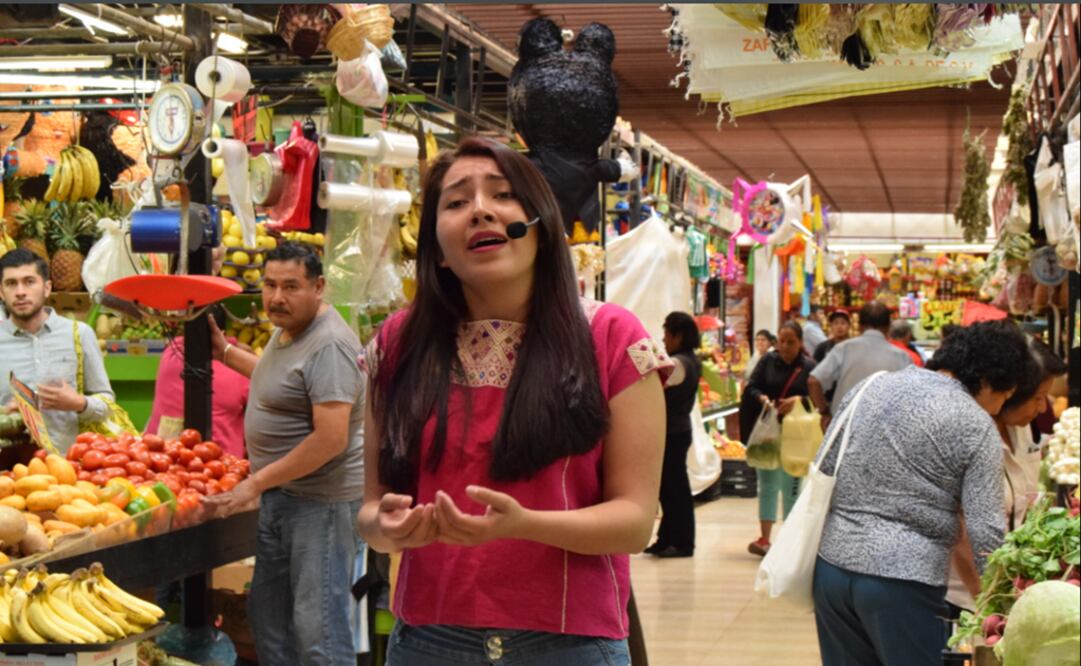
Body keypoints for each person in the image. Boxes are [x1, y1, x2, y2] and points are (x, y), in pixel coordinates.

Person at [357, 138, 670, 665]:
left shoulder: (612, 338)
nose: (480, 210)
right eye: (455, 203)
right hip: (428, 643)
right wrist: (384, 528)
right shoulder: (396, 345)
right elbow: (370, 508)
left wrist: (522, 523)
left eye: (502, 195)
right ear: (435, 246)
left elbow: (635, 521)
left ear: (541, 225)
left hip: (570, 646)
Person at [812, 320, 1033, 666]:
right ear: (989, 380)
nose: (999, 407)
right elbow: (985, 532)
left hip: (831, 571)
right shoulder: (976, 424)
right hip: (903, 579)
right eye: (1004, 395)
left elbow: (824, 467)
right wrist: (1003, 607)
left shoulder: (871, 387)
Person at [202, 242, 366, 666]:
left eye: (291, 286)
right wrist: (224, 352)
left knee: (318, 631)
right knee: (269, 619)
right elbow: (281, 382)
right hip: (281, 496)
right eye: (270, 285)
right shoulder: (289, 329)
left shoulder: (329, 344)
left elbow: (331, 439)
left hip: (320, 506)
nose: (276, 297)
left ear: (319, 287)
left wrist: (254, 483)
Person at [946, 337, 1067, 614]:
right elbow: (960, 533)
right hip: (964, 596)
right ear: (1011, 393)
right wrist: (988, 602)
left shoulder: (1021, 429)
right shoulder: (970, 436)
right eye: (1037, 398)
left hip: (1005, 586)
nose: (1042, 408)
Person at [0, 248, 117, 453]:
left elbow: (107, 402)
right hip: (9, 470)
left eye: (29, 281)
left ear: (46, 288)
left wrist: (78, 403)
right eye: (11, 283)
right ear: (1, 292)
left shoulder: (79, 334)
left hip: (70, 468)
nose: (20, 291)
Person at [740, 321, 816, 556]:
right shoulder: (767, 362)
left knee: (792, 488)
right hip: (769, 435)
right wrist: (762, 398)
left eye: (791, 342)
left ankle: (789, 541)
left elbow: (819, 399)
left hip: (797, 437)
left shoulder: (809, 367)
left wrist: (799, 401)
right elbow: (750, 388)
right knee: (768, 486)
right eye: (781, 341)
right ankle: (764, 539)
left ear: (800, 343)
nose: (785, 346)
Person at [145, 304, 250, 459]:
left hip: (161, 457)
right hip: (221, 464)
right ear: (220, 334)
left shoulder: (170, 354)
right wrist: (233, 345)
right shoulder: (239, 369)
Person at [644, 311, 702, 558]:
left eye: (667, 333)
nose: (664, 338)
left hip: (673, 432)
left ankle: (682, 542)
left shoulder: (680, 363)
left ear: (678, 335)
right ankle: (666, 538)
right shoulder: (688, 359)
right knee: (668, 488)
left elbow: (658, 382)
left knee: (674, 488)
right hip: (675, 430)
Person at [808, 300, 912, 430]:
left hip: (845, 428)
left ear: (861, 326)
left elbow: (813, 381)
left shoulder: (843, 349)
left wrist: (825, 412)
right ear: (888, 327)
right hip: (887, 432)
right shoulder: (903, 357)